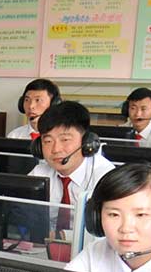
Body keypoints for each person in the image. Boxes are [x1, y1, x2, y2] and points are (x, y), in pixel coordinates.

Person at [31, 101, 114, 241]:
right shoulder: (39, 173)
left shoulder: (105, 177)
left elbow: (107, 230)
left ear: (86, 142)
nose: (56, 149)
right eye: (48, 141)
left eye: (65, 139)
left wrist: (61, 236)